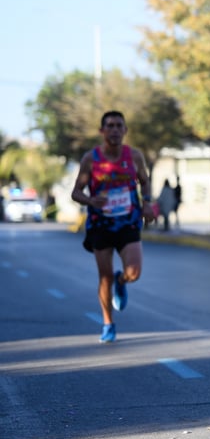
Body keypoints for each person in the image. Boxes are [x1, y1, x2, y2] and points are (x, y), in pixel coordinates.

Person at [71, 111, 156, 343]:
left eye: (119, 125)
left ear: (125, 130)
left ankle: (122, 282)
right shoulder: (91, 159)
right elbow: (76, 192)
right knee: (104, 276)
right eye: (110, 126)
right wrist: (90, 200)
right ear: (102, 131)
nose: (115, 130)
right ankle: (108, 323)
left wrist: (147, 204)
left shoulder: (135, 156)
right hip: (101, 224)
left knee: (134, 273)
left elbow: (145, 183)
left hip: (128, 221)